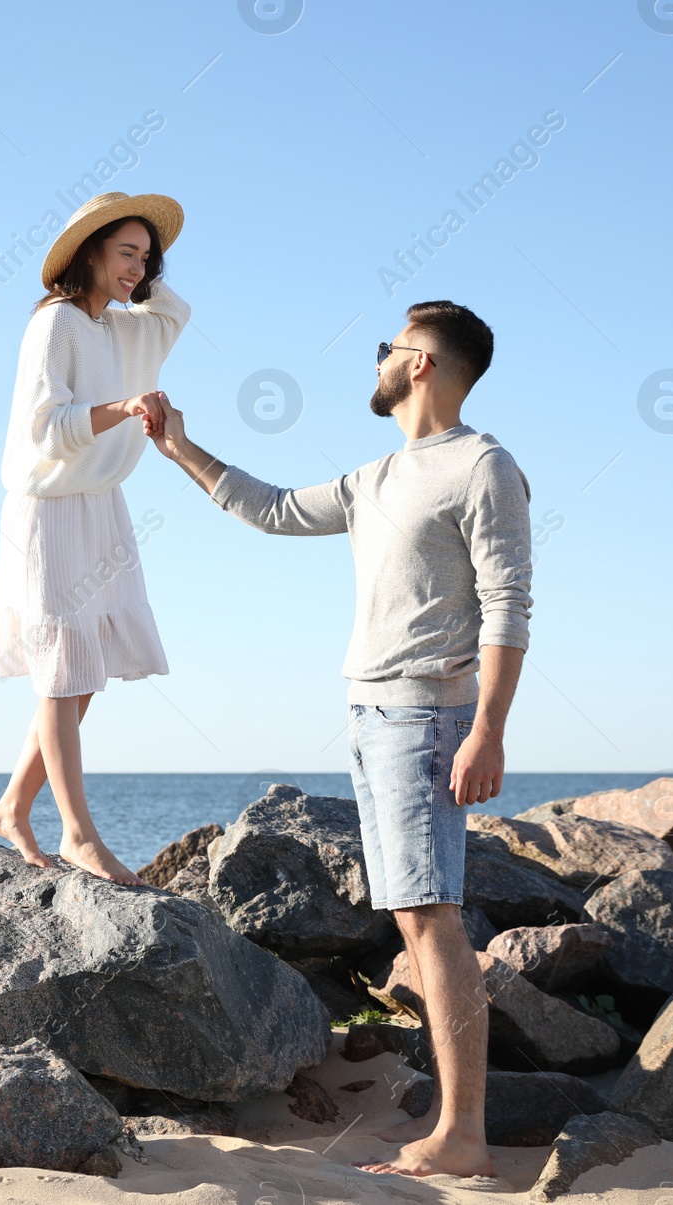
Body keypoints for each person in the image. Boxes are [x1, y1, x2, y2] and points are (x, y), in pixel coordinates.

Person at [148, 301, 532, 1179]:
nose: (377, 363)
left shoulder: (482, 466)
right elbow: (275, 508)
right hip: (370, 716)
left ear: (422, 362)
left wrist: (489, 730)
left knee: (432, 920)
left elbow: (510, 604)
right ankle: (456, 1122)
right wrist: (180, 447)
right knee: (415, 915)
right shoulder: (377, 476)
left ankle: (463, 1131)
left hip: (429, 719)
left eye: (386, 349)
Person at [0, 191, 190, 886]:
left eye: (146, 255)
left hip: (102, 506)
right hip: (50, 508)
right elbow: (47, 425)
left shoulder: (118, 330)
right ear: (90, 252)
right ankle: (77, 833)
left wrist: (143, 280)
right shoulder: (57, 323)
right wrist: (123, 407)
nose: (138, 268)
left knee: (88, 668)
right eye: (125, 253)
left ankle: (14, 805)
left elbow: (171, 314)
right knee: (63, 668)